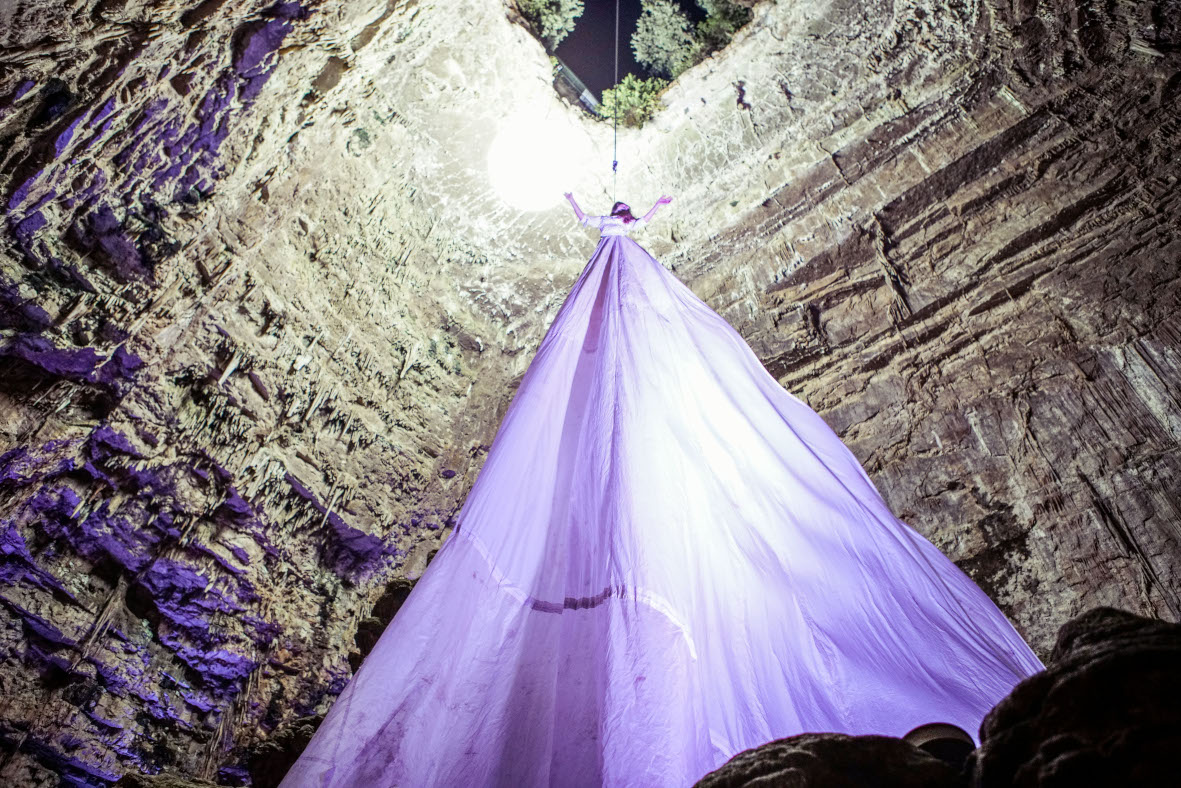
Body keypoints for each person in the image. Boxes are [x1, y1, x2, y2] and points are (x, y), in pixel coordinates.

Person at [282, 193, 1043, 787]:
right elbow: (607, 219)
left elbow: (623, 218)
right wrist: (602, 212)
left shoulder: (629, 257)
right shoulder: (614, 244)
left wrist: (637, 214)